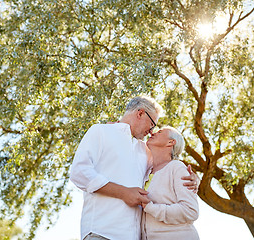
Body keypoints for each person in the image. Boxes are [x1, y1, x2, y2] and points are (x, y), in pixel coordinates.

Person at [70, 96, 199, 240]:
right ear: (140, 113)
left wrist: (194, 179)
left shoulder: (145, 150)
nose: (151, 132)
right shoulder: (101, 131)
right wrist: (124, 193)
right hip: (102, 232)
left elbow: (166, 167)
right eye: (152, 124)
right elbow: (79, 173)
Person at [141, 126, 200, 240]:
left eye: (160, 132)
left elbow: (190, 210)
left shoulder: (177, 167)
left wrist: (151, 208)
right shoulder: (146, 172)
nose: (153, 133)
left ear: (171, 142)